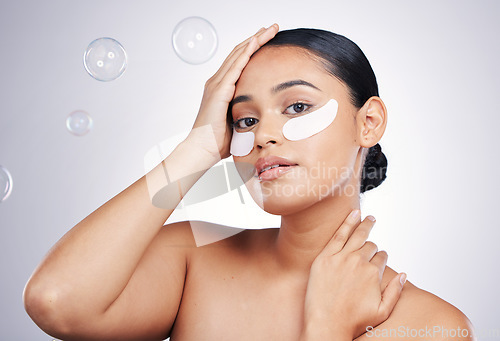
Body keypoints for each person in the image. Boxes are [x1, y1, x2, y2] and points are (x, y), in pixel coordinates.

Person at [23, 24, 474, 340]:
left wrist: (327, 328)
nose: (263, 135)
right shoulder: (190, 262)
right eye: (246, 119)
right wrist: (197, 148)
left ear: (369, 123)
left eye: (297, 107)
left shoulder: (430, 324)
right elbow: (56, 301)